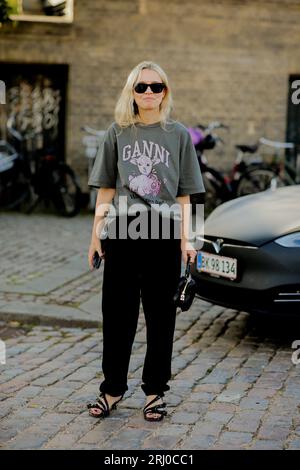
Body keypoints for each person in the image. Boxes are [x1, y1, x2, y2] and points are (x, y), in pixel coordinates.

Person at [87, 61, 205, 422]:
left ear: (165, 91)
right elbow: (106, 187)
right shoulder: (117, 132)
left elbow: (188, 194)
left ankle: (155, 392)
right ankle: (112, 390)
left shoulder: (179, 134)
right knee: (117, 316)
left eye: (156, 86)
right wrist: (95, 235)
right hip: (122, 233)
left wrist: (190, 240)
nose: (149, 92)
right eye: (141, 87)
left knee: (160, 318)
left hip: (164, 235)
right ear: (132, 92)